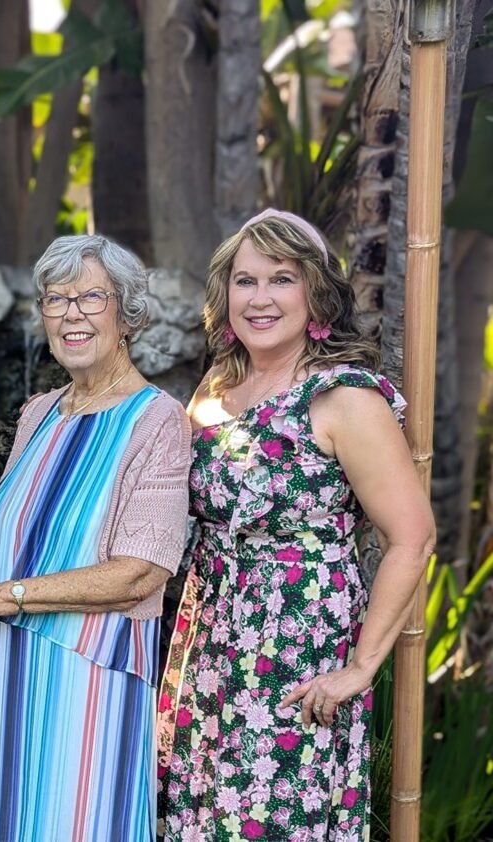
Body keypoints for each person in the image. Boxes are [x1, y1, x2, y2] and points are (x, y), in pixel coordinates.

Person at [0, 234, 192, 841]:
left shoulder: (156, 418)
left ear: (127, 313)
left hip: (91, 679)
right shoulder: (39, 412)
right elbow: (12, 537)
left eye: (90, 297)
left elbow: (141, 573)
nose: (70, 313)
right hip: (9, 675)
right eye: (56, 299)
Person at [156, 209, 435, 841]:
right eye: (244, 281)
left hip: (295, 641)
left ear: (315, 292)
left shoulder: (341, 397)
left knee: (273, 816)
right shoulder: (214, 390)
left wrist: (362, 666)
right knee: (201, 814)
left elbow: (413, 538)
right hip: (208, 638)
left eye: (280, 279)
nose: (259, 298)